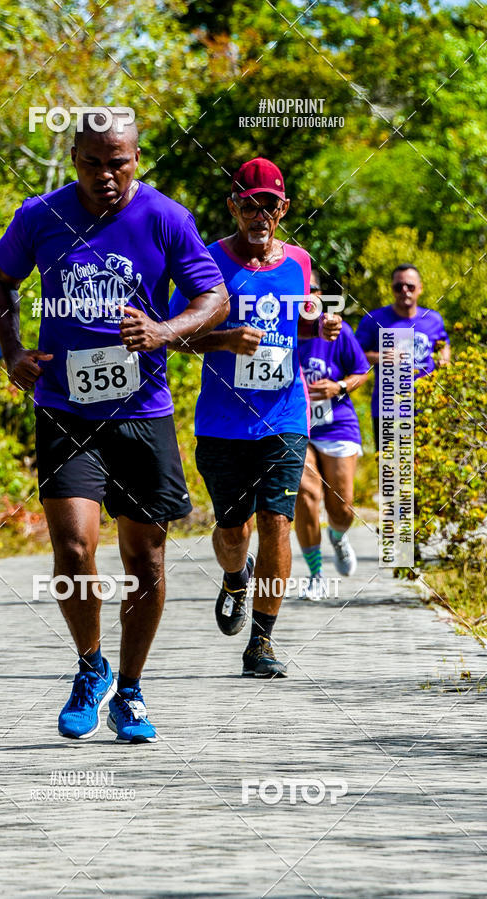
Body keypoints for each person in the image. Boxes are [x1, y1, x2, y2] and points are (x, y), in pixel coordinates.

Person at [0, 110, 228, 744]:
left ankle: (131, 690)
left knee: (145, 561)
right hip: (66, 410)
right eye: (92, 163)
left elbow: (214, 298)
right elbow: (0, 280)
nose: (106, 176)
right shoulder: (39, 214)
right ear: (74, 159)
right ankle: (90, 667)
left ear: (137, 159)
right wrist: (10, 351)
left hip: (142, 416)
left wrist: (164, 331)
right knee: (72, 550)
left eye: (117, 162)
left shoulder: (167, 217)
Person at [170, 157, 341, 678]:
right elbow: (174, 335)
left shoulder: (301, 262)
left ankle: (261, 642)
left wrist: (320, 326)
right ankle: (234, 578)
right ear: (234, 207)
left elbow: (296, 322)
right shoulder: (208, 263)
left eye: (270, 204)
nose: (261, 213)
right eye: (250, 203)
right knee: (232, 532)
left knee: (276, 522)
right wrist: (225, 339)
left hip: (285, 415)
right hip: (222, 423)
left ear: (284, 208)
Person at [295, 271, 369, 599]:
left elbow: (362, 370)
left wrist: (337, 386)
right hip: (297, 424)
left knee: (342, 507)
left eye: (311, 290)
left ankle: (338, 538)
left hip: (337, 423)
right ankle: (315, 573)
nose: (305, 296)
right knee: (305, 494)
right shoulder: (281, 329)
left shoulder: (338, 331)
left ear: (320, 295)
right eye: (298, 291)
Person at [355, 264, 450, 451]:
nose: (404, 291)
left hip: (427, 406)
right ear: (392, 289)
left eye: (410, 286)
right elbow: (354, 356)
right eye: (399, 287)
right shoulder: (374, 319)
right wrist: (381, 357)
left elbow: (443, 343)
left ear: (420, 288)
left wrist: (444, 359)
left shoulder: (433, 319)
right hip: (389, 408)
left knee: (428, 468)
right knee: (392, 474)